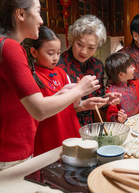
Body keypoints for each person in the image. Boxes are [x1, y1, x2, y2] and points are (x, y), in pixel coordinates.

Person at [0, 0, 99, 178]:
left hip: (7, 154)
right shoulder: (8, 47)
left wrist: (60, 94)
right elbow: (39, 110)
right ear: (21, 14)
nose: (41, 20)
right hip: (6, 155)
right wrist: (79, 90)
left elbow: (22, 103)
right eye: (38, 11)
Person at [57, 14, 121, 126]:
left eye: (91, 48)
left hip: (89, 126)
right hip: (65, 125)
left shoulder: (97, 66)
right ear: (72, 39)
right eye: (80, 44)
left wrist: (106, 100)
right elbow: (52, 108)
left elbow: (97, 97)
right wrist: (82, 106)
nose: (84, 52)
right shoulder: (59, 65)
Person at [29, 26, 84, 156]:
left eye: (58, 53)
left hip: (68, 127)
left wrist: (79, 95)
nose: (55, 58)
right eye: (50, 53)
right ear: (34, 52)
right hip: (49, 132)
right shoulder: (31, 76)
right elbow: (35, 110)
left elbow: (74, 105)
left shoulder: (61, 73)